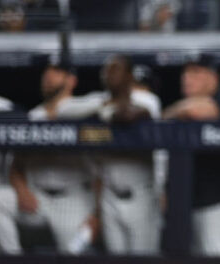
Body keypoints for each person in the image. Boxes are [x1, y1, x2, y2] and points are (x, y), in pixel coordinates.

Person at [54, 55, 164, 255]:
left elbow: (132, 114)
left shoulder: (146, 99)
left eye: (116, 69)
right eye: (106, 70)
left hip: (140, 194)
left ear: (130, 76)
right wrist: (102, 106)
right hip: (109, 196)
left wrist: (109, 111)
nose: (109, 74)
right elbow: (62, 110)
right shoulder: (99, 100)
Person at [0, 62, 99, 255]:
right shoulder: (33, 116)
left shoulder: (86, 112)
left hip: (72, 201)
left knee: (75, 253)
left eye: (57, 72)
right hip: (37, 197)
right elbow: (16, 164)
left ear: (72, 80)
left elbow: (102, 171)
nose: (48, 77)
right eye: (46, 71)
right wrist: (21, 189)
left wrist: (97, 215)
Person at [162, 54, 220, 256]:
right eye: (185, 72)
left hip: (219, 202)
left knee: (218, 253)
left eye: (195, 72)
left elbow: (197, 111)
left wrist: (174, 111)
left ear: (213, 78)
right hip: (190, 199)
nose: (187, 78)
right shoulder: (184, 105)